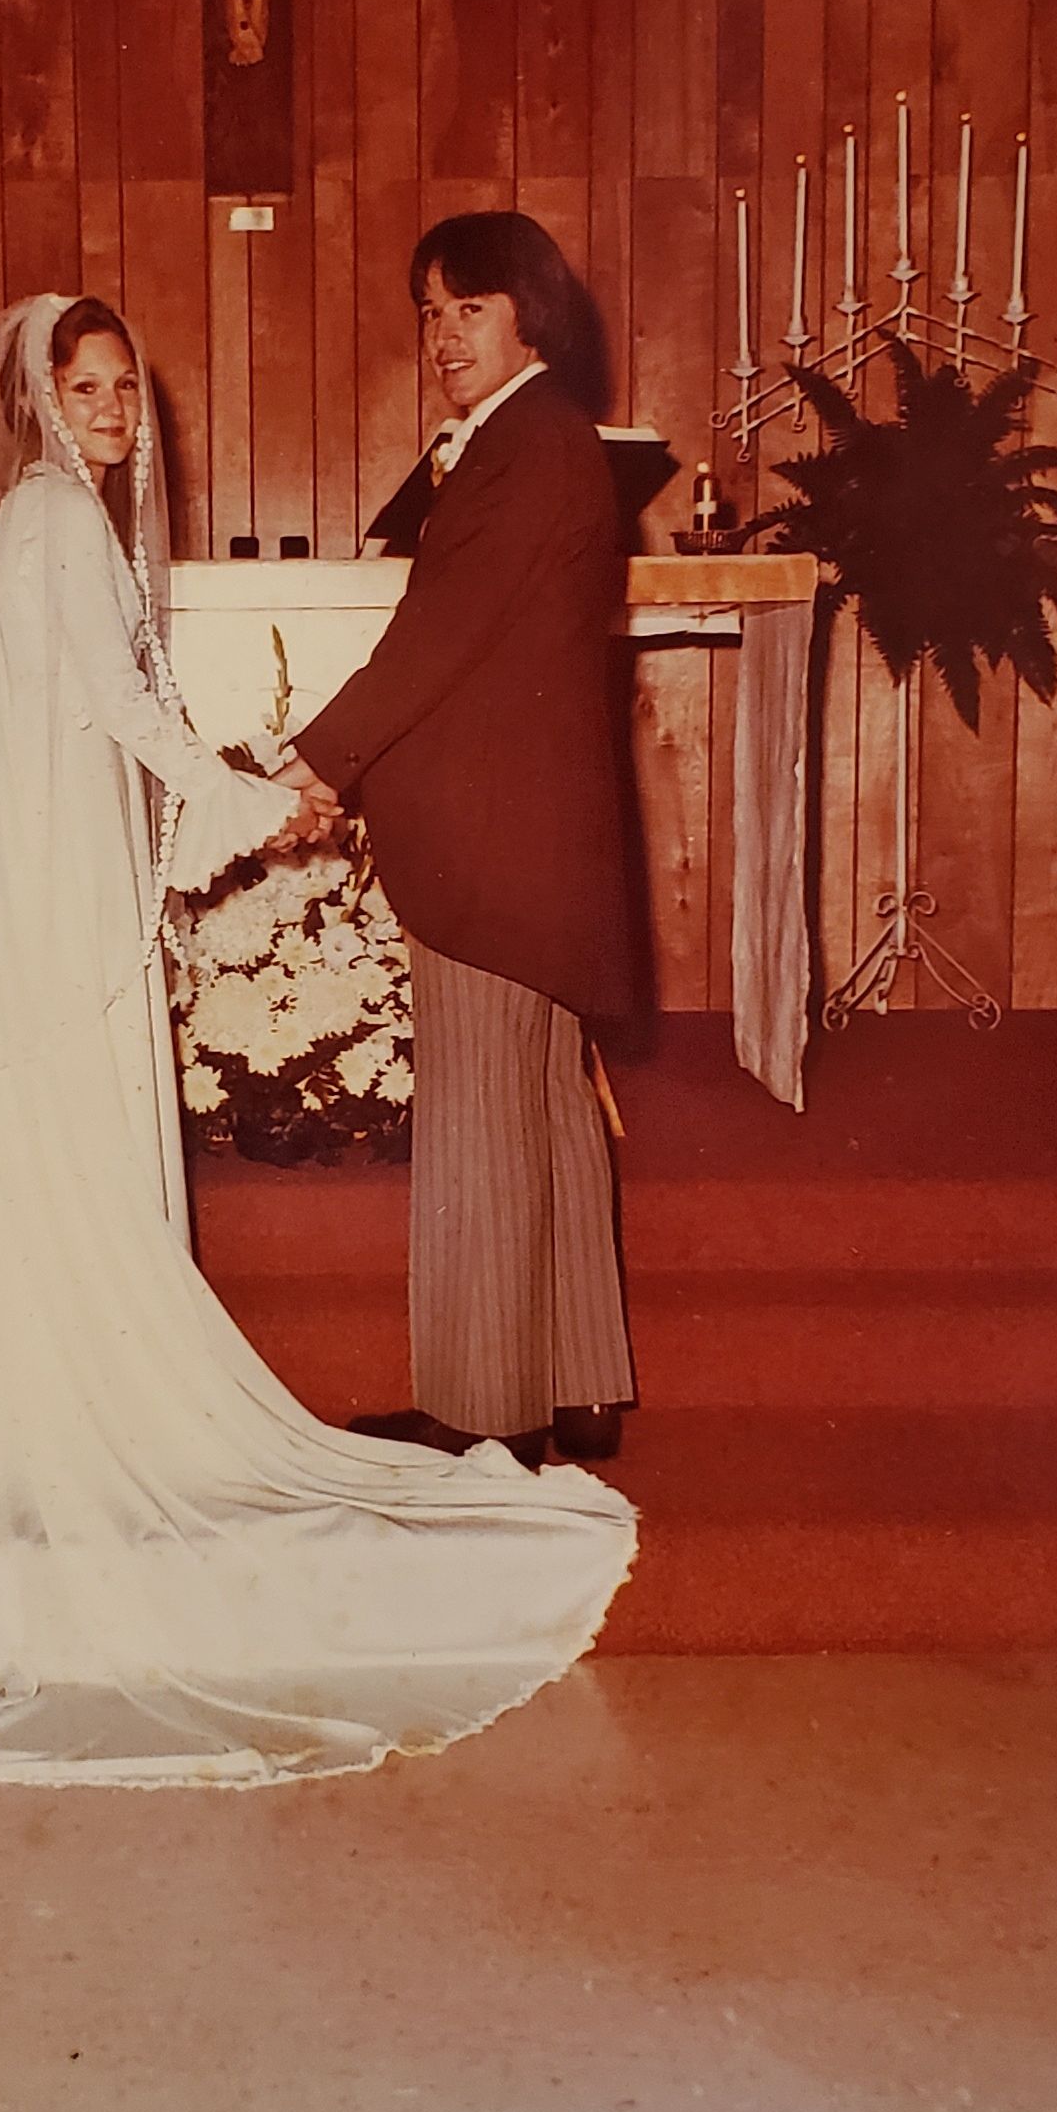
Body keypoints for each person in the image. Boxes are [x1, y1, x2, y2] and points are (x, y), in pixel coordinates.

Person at [0, 293, 635, 1789]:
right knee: (68, 1113)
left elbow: (130, 697)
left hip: (73, 842)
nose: (114, 410)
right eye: (87, 386)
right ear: (38, 400)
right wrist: (246, 798)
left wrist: (234, 795)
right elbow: (116, 699)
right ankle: (71, 1419)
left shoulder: (77, 520)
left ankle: (67, 1406)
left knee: (84, 1128)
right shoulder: (52, 517)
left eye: (124, 387)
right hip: (51, 864)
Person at [282, 214, 639, 1471]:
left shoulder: (519, 450)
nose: (441, 335)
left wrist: (312, 764)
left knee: (487, 1117)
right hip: (534, 835)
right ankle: (579, 1382)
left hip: (489, 845)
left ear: (528, 312)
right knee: (542, 1104)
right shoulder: (542, 440)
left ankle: (482, 1407)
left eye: (467, 307)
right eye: (428, 312)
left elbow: (431, 640)